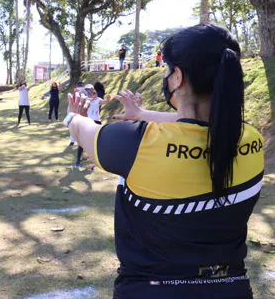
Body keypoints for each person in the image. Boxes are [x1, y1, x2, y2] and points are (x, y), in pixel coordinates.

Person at [64, 24, 263, 298]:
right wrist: (144, 113)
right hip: (233, 289)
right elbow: (203, 124)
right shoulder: (250, 139)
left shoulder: (136, 142)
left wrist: (73, 116)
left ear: (178, 76)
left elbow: (83, 129)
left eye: (168, 71)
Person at [74, 82, 109, 168]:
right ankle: (78, 161)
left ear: (93, 91)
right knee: (82, 143)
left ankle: (97, 161)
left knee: (97, 142)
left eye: (91, 90)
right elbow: (86, 100)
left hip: (96, 122)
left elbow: (104, 102)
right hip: (87, 122)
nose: (89, 92)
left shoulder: (98, 99)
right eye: (87, 91)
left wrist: (107, 99)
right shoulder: (85, 99)